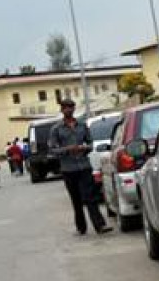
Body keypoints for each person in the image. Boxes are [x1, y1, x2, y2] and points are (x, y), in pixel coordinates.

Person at [48, 99, 113, 235]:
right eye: (66, 108)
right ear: (62, 110)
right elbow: (53, 150)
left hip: (84, 166)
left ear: (74, 109)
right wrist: (67, 149)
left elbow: (90, 143)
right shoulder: (56, 129)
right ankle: (81, 227)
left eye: (71, 107)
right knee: (76, 200)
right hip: (68, 169)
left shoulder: (82, 126)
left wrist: (85, 148)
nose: (69, 110)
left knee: (90, 197)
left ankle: (100, 225)